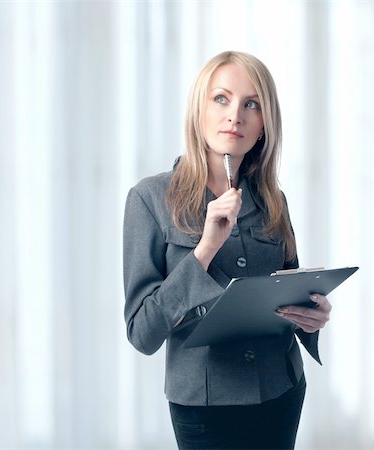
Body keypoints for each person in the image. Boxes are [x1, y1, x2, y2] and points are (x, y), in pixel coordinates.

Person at [123, 51, 332, 450]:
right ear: (198, 110)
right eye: (221, 98)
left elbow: (290, 289)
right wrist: (205, 249)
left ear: (263, 125)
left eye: (251, 104)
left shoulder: (275, 200)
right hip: (205, 407)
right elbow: (142, 332)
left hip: (281, 390)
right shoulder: (149, 198)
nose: (235, 114)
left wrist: (313, 314)